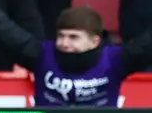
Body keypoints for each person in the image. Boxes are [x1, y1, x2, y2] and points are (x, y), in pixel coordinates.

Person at [24, 6, 152, 107]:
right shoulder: (42, 54)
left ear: (95, 42)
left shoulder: (114, 59)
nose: (64, 43)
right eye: (61, 36)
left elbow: (147, 44)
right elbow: (9, 34)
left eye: (73, 37)